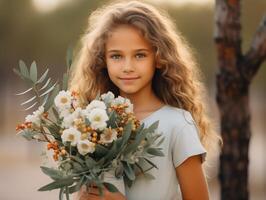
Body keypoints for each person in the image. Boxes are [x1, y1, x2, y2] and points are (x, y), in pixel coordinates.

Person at [69, 0, 222, 199]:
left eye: (140, 55)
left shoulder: (178, 124)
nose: (127, 66)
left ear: (159, 58)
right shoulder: (91, 125)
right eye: (116, 56)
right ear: (102, 61)